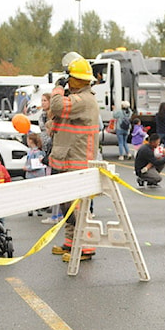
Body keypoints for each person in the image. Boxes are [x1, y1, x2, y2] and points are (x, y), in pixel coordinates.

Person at [48, 55, 101, 262]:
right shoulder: (77, 97)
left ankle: (85, 246)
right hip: (66, 158)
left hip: (77, 161)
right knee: (67, 206)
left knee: (78, 207)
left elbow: (59, 106)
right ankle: (71, 242)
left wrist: (57, 89)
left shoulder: (84, 99)